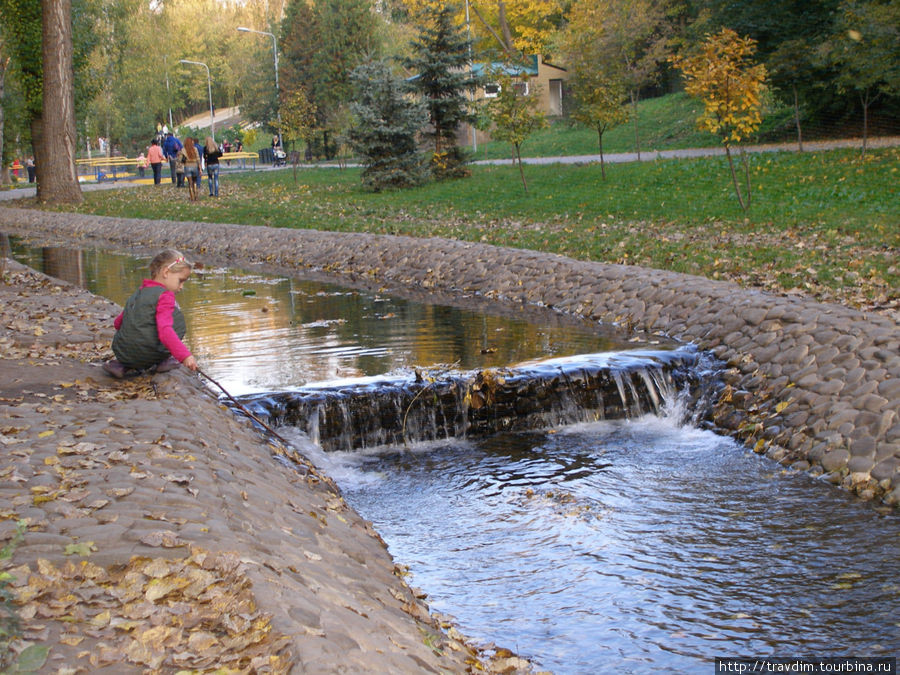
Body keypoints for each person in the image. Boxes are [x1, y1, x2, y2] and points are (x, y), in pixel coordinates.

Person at [103, 249, 199, 379]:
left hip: (122, 353)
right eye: (180, 280)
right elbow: (165, 331)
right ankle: (161, 361)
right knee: (176, 321)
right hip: (147, 355)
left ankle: (122, 365)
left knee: (139, 327)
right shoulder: (165, 295)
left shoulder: (139, 292)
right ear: (166, 272)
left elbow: (117, 323)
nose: (181, 287)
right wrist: (185, 355)